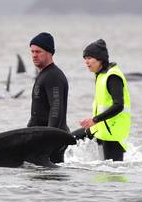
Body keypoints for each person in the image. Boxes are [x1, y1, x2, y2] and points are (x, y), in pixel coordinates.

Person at [73, 39, 131, 161]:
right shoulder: (101, 75)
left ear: (100, 59)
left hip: (113, 133)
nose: (86, 62)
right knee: (69, 139)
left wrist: (95, 120)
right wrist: (95, 121)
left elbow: (119, 105)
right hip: (100, 128)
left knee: (112, 173)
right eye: (85, 58)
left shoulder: (112, 76)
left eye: (89, 58)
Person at [27, 32, 69, 163]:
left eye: (38, 51)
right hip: (44, 138)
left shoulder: (53, 76)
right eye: (32, 51)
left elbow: (56, 109)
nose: (34, 55)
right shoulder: (44, 74)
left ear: (49, 52)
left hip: (52, 140)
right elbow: (37, 113)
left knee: (51, 180)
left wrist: (48, 139)